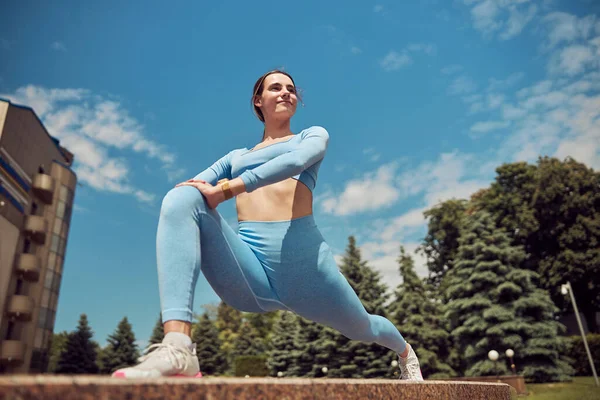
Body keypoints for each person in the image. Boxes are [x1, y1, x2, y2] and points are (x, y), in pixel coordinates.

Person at [112, 70, 423, 380]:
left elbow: (294, 162)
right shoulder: (235, 157)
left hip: (308, 272)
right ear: (258, 101)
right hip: (251, 276)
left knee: (364, 328)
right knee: (180, 199)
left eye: (291, 88)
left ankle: (406, 353)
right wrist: (198, 190)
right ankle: (179, 347)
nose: (286, 92)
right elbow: (193, 189)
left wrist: (227, 189)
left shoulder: (311, 136)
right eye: (276, 88)